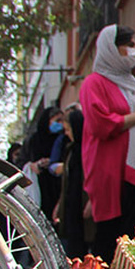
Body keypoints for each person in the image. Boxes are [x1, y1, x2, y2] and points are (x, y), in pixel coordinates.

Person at [79, 25, 135, 262]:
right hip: (111, 173)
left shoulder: (133, 85)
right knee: (112, 240)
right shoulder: (93, 83)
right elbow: (99, 124)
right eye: (129, 45)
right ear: (111, 49)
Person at [53, 108, 89, 258]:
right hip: (71, 207)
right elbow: (66, 182)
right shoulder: (70, 150)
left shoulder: (88, 150)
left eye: (68, 130)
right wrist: (59, 206)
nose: (67, 133)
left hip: (84, 205)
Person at [26, 106, 63, 223]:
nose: (60, 124)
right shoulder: (35, 140)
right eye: (57, 121)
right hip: (42, 184)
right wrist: (36, 164)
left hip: (58, 183)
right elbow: (26, 160)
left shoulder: (61, 138)